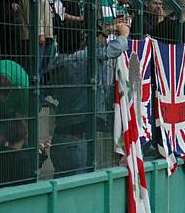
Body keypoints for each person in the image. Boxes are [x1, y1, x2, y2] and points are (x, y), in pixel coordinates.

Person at [46, 20, 129, 177]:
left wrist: (104, 33)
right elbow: (112, 49)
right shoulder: (86, 59)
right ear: (82, 38)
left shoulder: (56, 63)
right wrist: (123, 34)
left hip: (59, 139)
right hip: (77, 140)